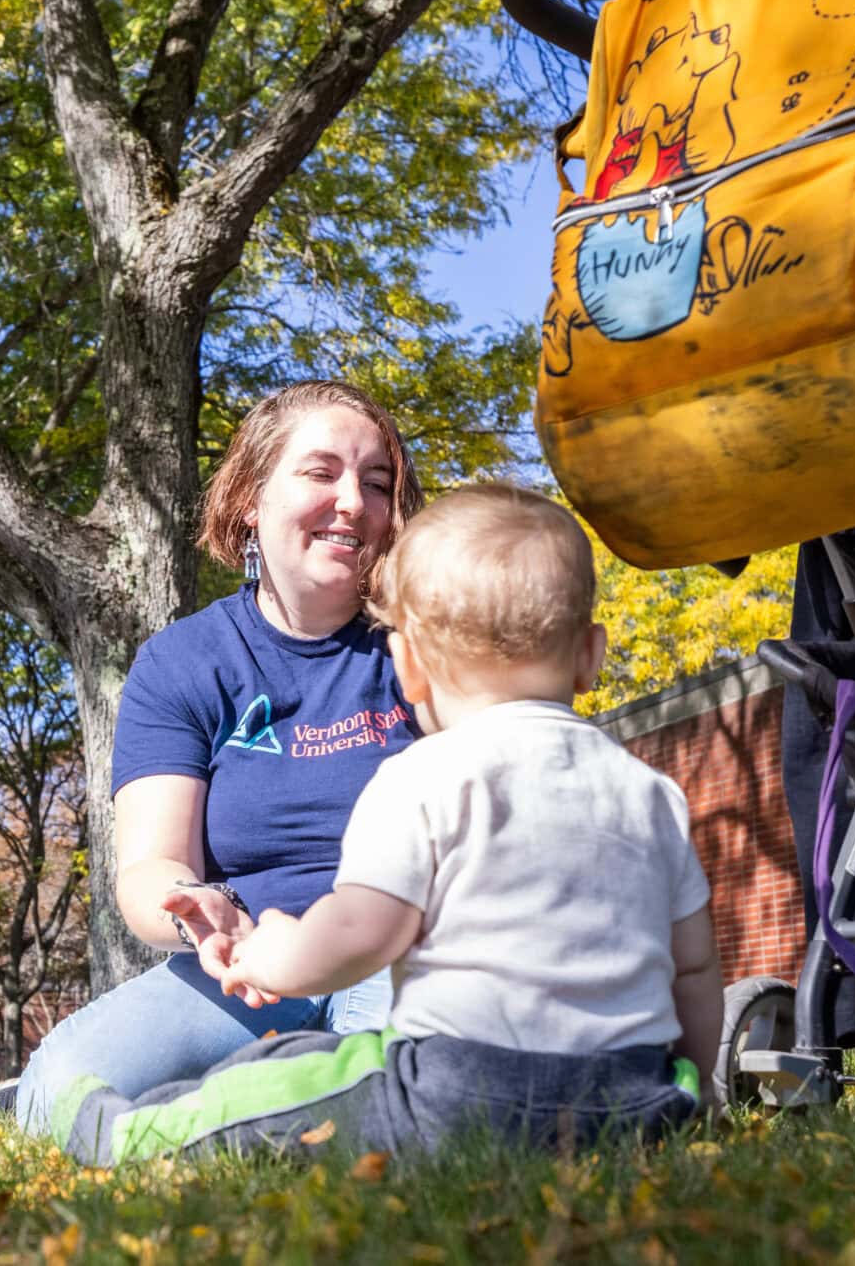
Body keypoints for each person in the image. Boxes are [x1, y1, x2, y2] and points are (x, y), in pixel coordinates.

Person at [47, 483, 722, 1164]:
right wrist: (696, 1096)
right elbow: (693, 965)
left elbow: (361, 934)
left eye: (373, 480)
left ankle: (123, 1134)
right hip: (635, 1102)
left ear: (410, 669)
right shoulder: (652, 793)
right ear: (591, 654)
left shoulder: (420, 776)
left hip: (457, 1096)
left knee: (278, 1090)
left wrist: (269, 953)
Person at [0, 381, 427, 1131]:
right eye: (321, 473)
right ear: (250, 497)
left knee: (394, 1081)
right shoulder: (184, 661)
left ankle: (245, 1103)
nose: (354, 502)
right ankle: (255, 1091)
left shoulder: (425, 645)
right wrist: (194, 912)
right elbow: (149, 866)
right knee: (56, 1085)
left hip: (395, 952)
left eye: (377, 483)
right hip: (252, 964)